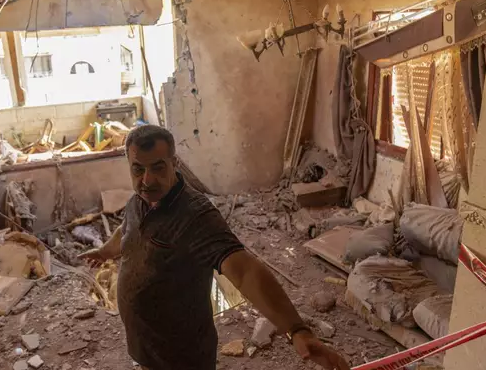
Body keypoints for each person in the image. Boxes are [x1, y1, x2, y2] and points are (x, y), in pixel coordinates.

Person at [79, 125, 350, 370]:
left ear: (174, 164)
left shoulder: (195, 216)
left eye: (158, 167)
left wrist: (297, 329)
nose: (147, 179)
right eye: (138, 169)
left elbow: (245, 271)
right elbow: (127, 231)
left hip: (182, 357)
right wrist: (106, 251)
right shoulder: (138, 202)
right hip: (146, 345)